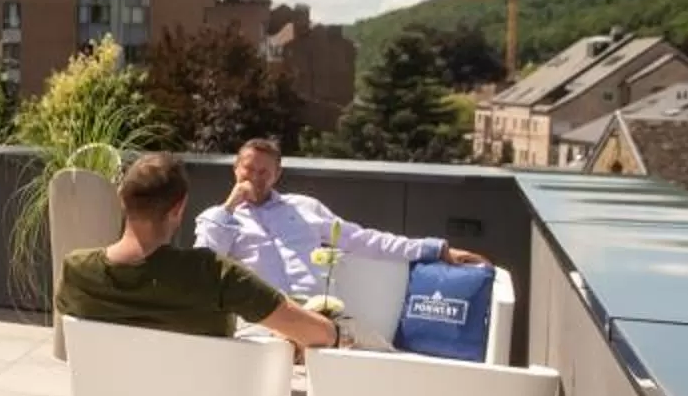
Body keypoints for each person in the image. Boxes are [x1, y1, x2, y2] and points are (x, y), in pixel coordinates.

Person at [193, 138, 487, 346]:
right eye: (248, 169)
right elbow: (203, 262)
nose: (255, 178)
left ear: (277, 175)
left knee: (383, 355)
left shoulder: (305, 208)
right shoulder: (219, 219)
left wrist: (437, 249)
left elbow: (363, 240)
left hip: (322, 315)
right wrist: (230, 205)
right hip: (266, 323)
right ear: (235, 169)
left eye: (263, 172)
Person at [58, 151, 341, 352]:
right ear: (178, 209)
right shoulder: (216, 275)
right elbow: (321, 334)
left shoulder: (77, 271)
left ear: (121, 198)